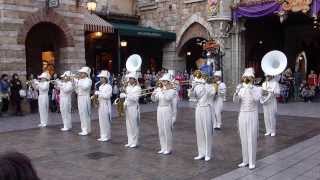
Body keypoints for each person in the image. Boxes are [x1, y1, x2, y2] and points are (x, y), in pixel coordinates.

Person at [233, 67, 262, 170]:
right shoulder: (241, 89)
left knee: (251, 138)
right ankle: (245, 160)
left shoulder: (257, 89)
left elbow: (257, 99)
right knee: (243, 138)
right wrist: (236, 92)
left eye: (249, 78)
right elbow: (235, 101)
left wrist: (250, 88)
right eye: (246, 78)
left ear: (253, 79)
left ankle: (252, 161)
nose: (247, 79)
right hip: (242, 114)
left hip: (252, 115)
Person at [188, 69, 216, 161]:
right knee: (199, 131)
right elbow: (191, 96)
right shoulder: (196, 85)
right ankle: (201, 153)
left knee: (207, 131)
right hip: (199, 108)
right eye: (199, 75)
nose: (199, 77)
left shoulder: (210, 86)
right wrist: (192, 88)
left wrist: (205, 85)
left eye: (202, 76)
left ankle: (208, 153)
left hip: (207, 108)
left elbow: (212, 94)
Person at [151, 73, 176, 155]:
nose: (163, 83)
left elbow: (168, 98)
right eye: (162, 81)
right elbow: (154, 100)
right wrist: (153, 94)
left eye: (165, 81)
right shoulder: (160, 89)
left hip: (167, 109)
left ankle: (168, 148)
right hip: (159, 109)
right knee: (160, 129)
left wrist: (164, 91)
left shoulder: (172, 90)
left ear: (168, 82)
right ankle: (163, 147)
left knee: (167, 129)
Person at [120, 71, 141, 148]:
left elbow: (135, 98)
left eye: (131, 78)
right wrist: (124, 103)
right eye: (129, 78)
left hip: (133, 107)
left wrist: (126, 95)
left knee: (134, 125)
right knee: (128, 125)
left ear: (135, 79)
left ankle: (135, 142)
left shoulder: (137, 88)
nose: (129, 80)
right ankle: (130, 141)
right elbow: (127, 98)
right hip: (128, 107)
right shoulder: (128, 87)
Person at [95, 70, 112, 142]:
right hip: (101, 104)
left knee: (106, 121)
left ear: (106, 79)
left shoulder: (109, 86)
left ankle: (107, 136)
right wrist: (96, 100)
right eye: (100, 78)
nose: (100, 79)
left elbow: (107, 96)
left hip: (106, 104)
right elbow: (100, 96)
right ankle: (102, 135)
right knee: (101, 121)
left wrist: (99, 93)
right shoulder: (100, 86)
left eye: (102, 78)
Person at [74, 67, 92, 136]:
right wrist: (75, 84)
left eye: (81, 73)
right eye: (80, 73)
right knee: (81, 113)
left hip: (85, 97)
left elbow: (85, 87)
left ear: (85, 74)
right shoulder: (80, 80)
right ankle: (83, 129)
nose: (80, 74)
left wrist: (78, 81)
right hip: (80, 97)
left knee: (85, 113)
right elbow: (77, 91)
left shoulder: (88, 80)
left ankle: (87, 129)